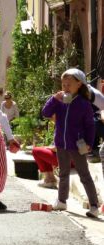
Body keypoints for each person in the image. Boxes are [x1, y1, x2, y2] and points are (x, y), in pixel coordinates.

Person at [42, 68, 99, 218]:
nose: (65, 87)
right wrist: (54, 99)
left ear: (79, 84)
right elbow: (45, 113)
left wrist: (89, 143)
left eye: (69, 84)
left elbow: (90, 125)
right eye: (63, 84)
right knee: (63, 173)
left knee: (84, 175)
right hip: (61, 143)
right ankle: (61, 201)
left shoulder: (83, 103)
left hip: (78, 144)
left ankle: (94, 206)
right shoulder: (59, 101)